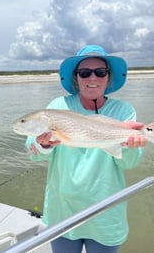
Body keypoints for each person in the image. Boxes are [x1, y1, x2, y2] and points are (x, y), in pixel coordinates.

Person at [26, 45, 146, 253]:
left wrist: (130, 147)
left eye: (100, 72)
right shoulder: (58, 106)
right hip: (62, 211)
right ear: (76, 78)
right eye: (85, 72)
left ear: (109, 77)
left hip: (106, 213)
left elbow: (128, 163)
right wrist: (42, 144)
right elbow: (32, 153)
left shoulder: (123, 111)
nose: (93, 78)